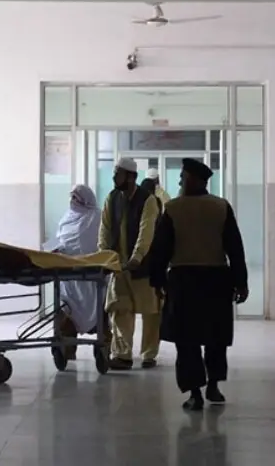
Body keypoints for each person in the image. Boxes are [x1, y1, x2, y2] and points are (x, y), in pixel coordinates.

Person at [149, 158, 248, 411]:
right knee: (216, 337)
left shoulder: (172, 209)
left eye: (183, 177)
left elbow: (161, 249)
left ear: (195, 179)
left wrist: (157, 280)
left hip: (184, 282)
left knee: (187, 340)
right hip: (217, 280)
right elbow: (235, 248)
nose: (180, 181)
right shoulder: (221, 207)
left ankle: (195, 393)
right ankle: (213, 385)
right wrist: (241, 282)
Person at [98, 158, 161, 370]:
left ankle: (149, 354)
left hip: (142, 265)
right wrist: (104, 256)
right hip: (118, 266)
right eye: (115, 173)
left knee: (151, 311)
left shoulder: (148, 200)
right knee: (120, 309)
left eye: (118, 173)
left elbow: (146, 231)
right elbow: (104, 229)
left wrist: (137, 257)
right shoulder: (112, 198)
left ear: (131, 177)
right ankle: (123, 355)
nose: (114, 177)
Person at [54, 184, 109, 360]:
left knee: (101, 315)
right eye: (71, 197)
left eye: (76, 198)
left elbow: (95, 244)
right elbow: (61, 240)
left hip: (91, 278)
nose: (72, 202)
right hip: (69, 278)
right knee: (66, 312)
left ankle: (103, 347)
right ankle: (68, 350)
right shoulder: (66, 219)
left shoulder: (96, 217)